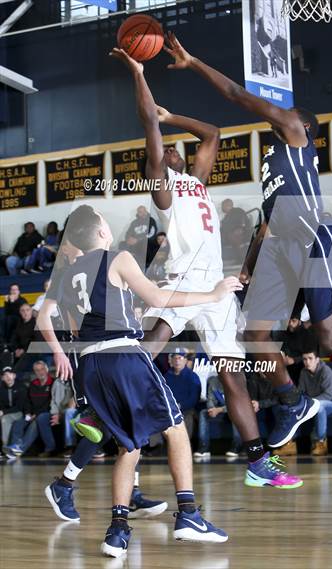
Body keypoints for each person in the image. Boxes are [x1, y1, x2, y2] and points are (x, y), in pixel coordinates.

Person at [161, 32, 332, 449]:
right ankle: (292, 401)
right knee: (254, 337)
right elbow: (269, 221)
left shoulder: (294, 132)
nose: (278, 113)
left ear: (302, 124)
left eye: (286, 111)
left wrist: (194, 62)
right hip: (278, 246)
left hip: (313, 238)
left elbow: (236, 93)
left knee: (327, 337)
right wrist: (252, 260)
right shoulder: (272, 159)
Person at [112, 45, 302, 492]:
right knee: (152, 345)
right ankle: (103, 406)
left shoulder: (197, 182)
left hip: (215, 286)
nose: (177, 151)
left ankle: (257, 461)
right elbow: (148, 129)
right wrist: (140, 75)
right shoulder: (162, 187)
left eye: (178, 149)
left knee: (231, 372)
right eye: (169, 151)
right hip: (183, 280)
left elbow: (213, 133)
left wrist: (172, 116)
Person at [40, 205, 239, 557]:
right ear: (101, 233)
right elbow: (160, 300)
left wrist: (130, 310)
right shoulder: (117, 258)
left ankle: (117, 530)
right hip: (123, 357)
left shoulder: (70, 275)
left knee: (129, 444)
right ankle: (189, 514)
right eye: (105, 221)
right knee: (175, 429)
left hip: (91, 365)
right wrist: (214, 294)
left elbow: (77, 327)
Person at [37, 239, 172, 523]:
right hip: (84, 355)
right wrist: (59, 353)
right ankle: (63, 484)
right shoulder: (65, 275)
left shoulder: (91, 271)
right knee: (103, 427)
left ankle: (130, 494)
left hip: (102, 353)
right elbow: (43, 318)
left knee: (124, 422)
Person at [297, 351, 332, 456]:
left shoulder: (326, 371)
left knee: (320, 407)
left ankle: (321, 442)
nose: (307, 362)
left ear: (317, 360)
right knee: (293, 407)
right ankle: (289, 444)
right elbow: (300, 392)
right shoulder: (303, 372)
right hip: (314, 403)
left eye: (310, 358)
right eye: (305, 359)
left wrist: (310, 403)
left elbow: (328, 395)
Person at [7, 361, 56, 457]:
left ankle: (19, 449)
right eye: (37, 370)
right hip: (32, 414)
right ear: (34, 372)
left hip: (46, 414)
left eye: (42, 369)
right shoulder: (33, 384)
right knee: (18, 423)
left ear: (46, 370)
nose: (40, 372)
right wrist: (28, 413)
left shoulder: (53, 383)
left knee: (36, 422)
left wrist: (36, 415)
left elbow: (50, 403)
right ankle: (14, 447)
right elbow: (28, 401)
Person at [194, 375, 242, 459]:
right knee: (203, 413)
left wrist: (220, 410)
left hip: (234, 410)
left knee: (236, 412)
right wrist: (211, 409)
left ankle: (237, 447)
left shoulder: (237, 381)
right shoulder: (213, 381)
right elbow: (210, 399)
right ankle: (203, 447)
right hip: (220, 411)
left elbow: (237, 404)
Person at [164, 348, 201, 439]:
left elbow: (194, 398)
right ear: (171, 360)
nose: (177, 361)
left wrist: (179, 406)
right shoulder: (166, 377)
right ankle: (155, 447)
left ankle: (186, 443)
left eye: (180, 358)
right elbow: (162, 395)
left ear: (185, 360)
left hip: (185, 409)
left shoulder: (192, 376)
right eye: (175, 358)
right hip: (169, 409)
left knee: (188, 415)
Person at [0, 367, 25, 457]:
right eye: (5, 375)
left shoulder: (21, 387)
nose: (8, 377)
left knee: (4, 419)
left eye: (10, 374)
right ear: (2, 378)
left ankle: (5, 447)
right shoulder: (1, 388)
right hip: (7, 412)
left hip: (19, 413)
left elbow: (19, 407)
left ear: (14, 375)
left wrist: (3, 412)